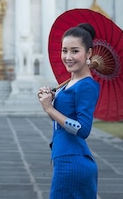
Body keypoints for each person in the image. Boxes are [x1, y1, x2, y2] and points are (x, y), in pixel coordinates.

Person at [38, 23, 100, 199]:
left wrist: (49, 108)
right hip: (64, 157)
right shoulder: (69, 83)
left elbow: (82, 129)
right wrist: (49, 100)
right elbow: (61, 122)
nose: (68, 56)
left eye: (75, 51)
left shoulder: (87, 85)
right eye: (65, 50)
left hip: (73, 163)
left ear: (88, 53)